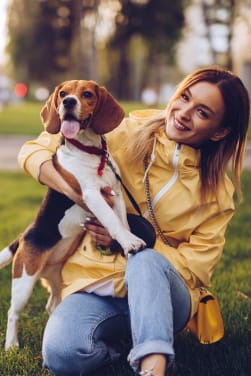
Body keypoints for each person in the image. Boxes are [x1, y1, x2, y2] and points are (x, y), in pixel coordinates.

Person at [18, 66, 250, 376]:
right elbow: (36, 149)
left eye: (203, 113)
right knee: (62, 354)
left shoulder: (218, 193)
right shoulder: (123, 131)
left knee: (143, 260)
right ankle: (126, 349)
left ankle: (153, 366)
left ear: (220, 131)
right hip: (95, 285)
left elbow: (197, 269)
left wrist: (137, 241)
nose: (183, 112)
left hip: (168, 297)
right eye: (184, 97)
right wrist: (71, 189)